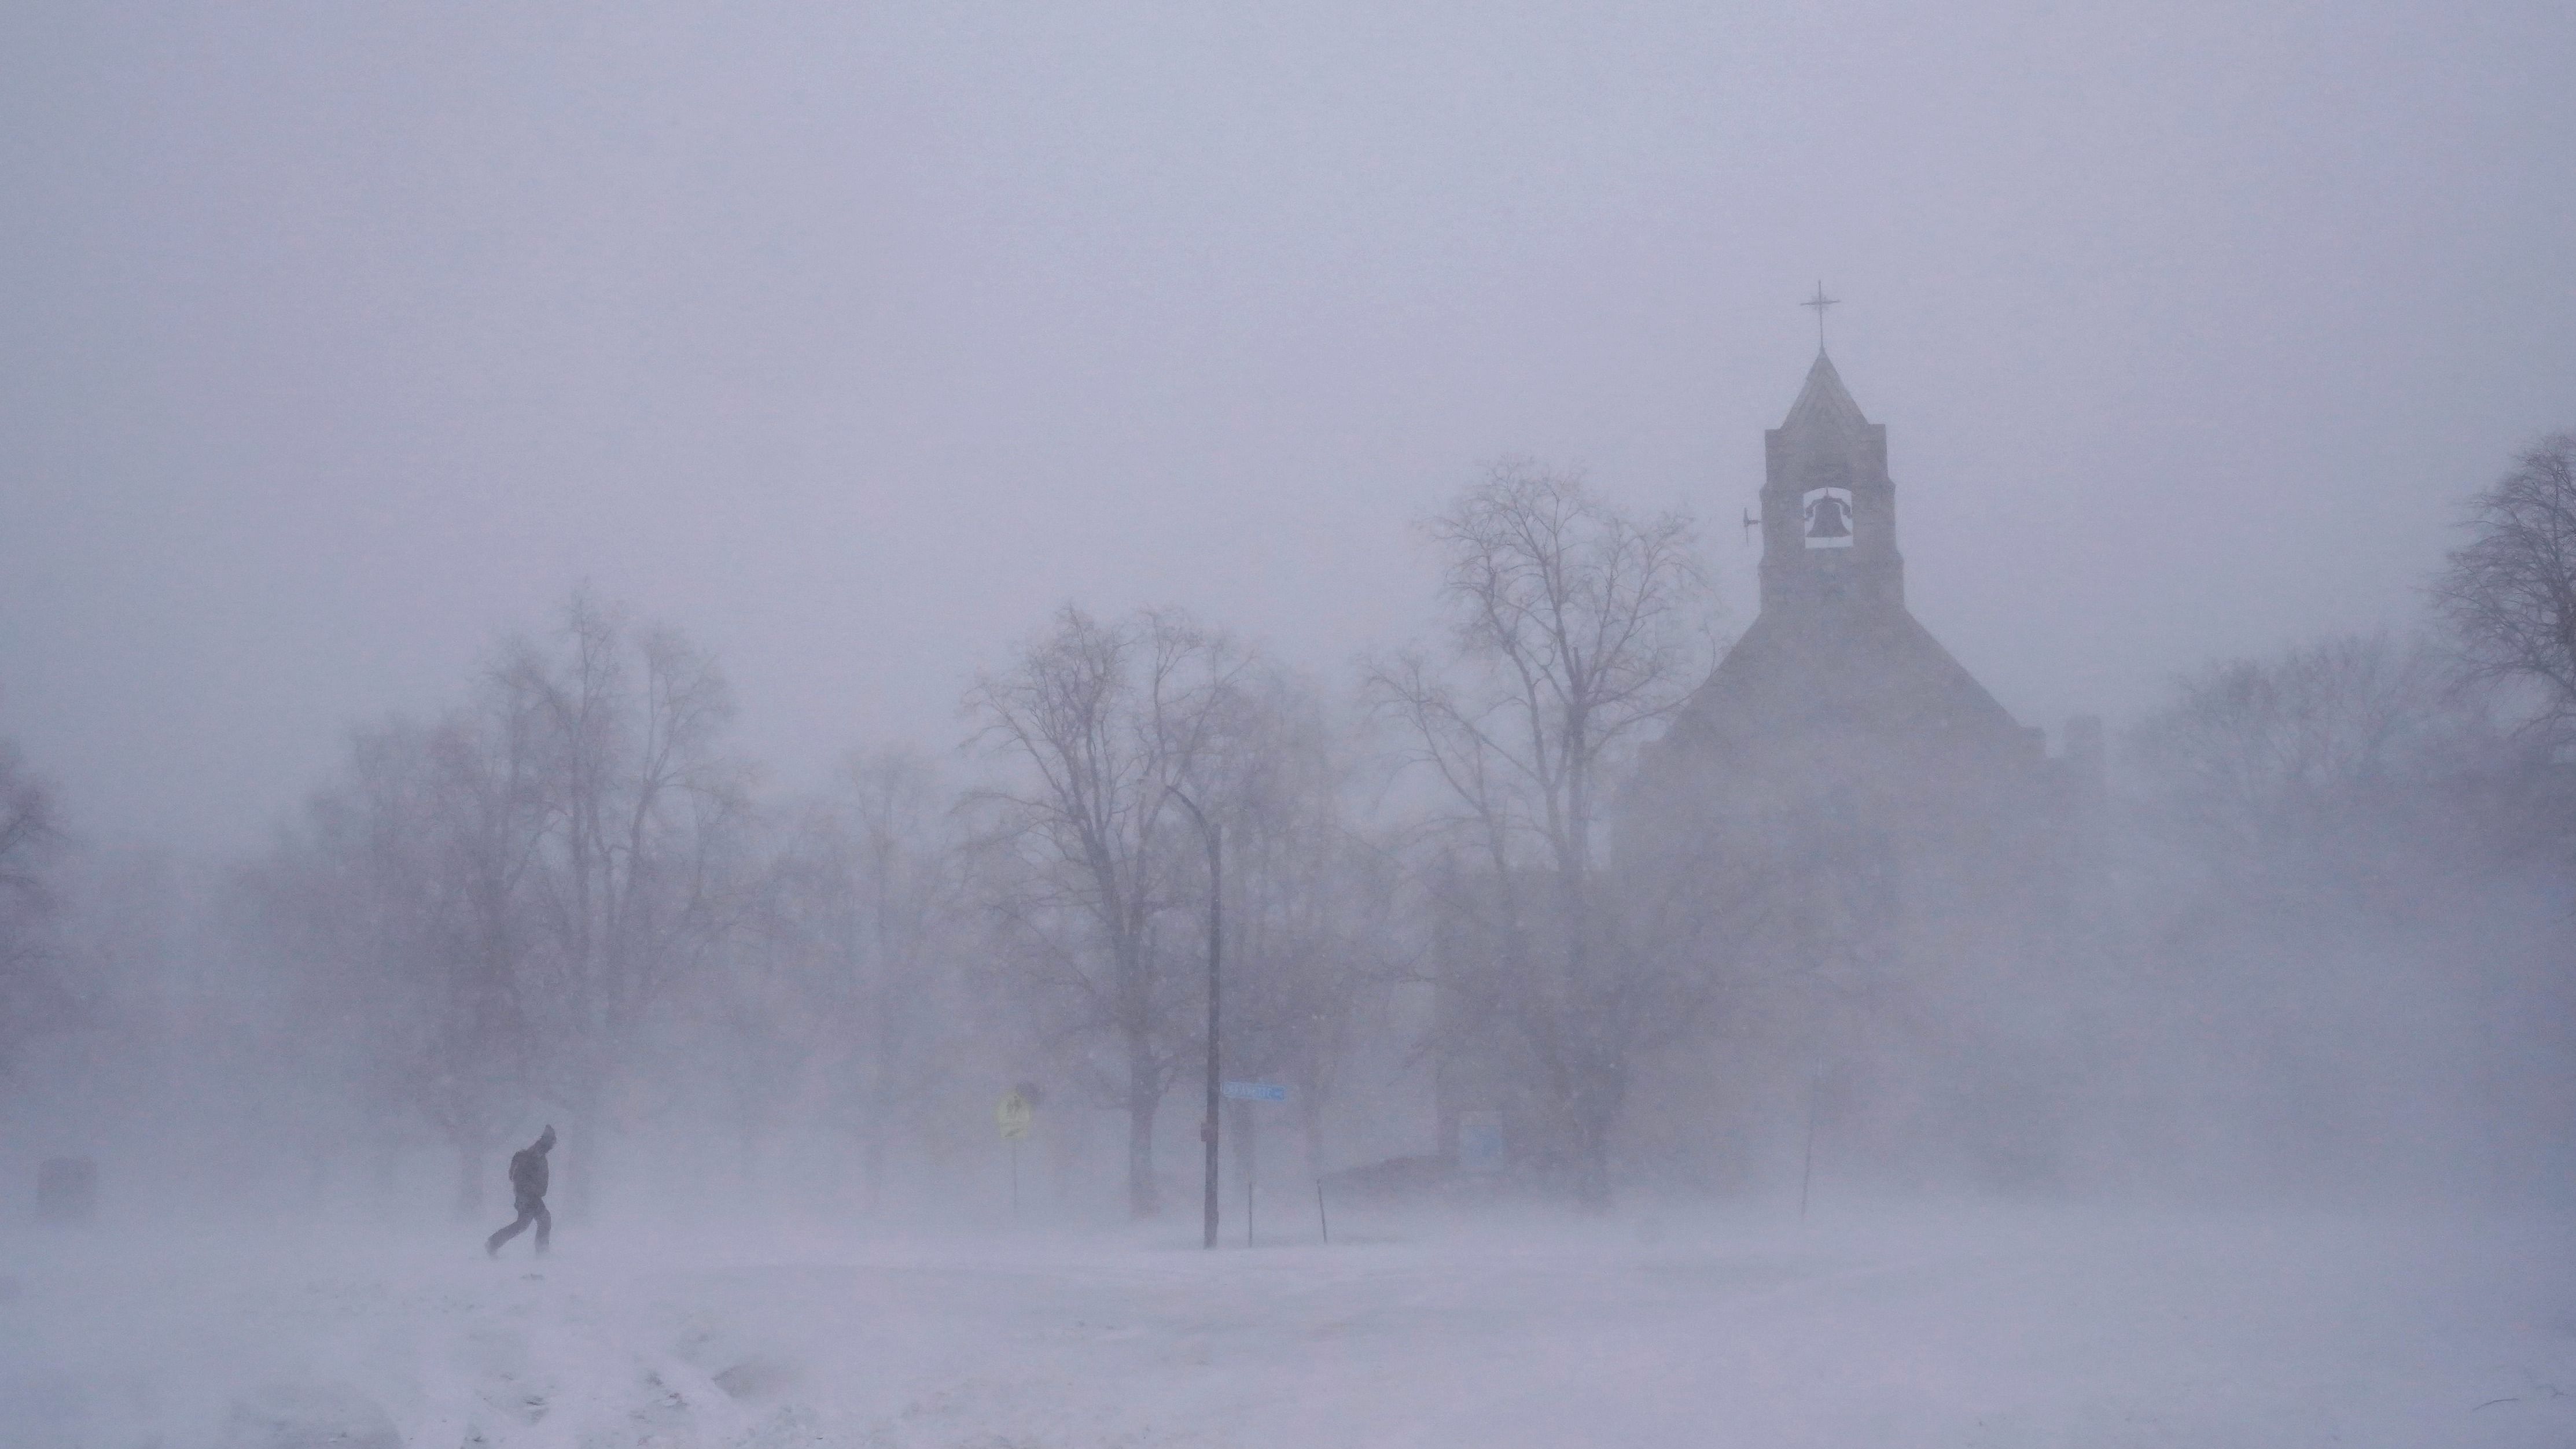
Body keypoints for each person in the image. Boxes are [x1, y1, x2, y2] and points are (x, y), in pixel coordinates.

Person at [484, 1125, 555, 1258]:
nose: (553, 1145)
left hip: (530, 1196)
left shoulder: (538, 1155)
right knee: (538, 1221)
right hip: (528, 1197)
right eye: (552, 1142)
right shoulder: (534, 1155)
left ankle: (494, 1243)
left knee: (527, 1223)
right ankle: (542, 1252)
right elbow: (520, 1177)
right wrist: (529, 1191)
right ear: (546, 1141)